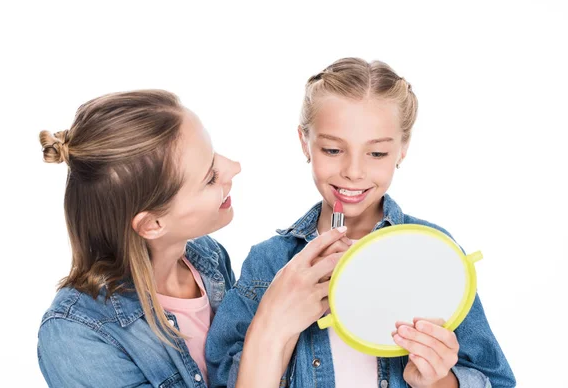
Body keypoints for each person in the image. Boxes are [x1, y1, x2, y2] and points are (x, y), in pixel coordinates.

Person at [206, 58, 516, 388]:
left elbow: (497, 380)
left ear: (403, 148)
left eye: (377, 154)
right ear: (304, 143)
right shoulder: (270, 263)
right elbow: (225, 378)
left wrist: (437, 380)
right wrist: (279, 326)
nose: (353, 171)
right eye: (333, 149)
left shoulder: (432, 251)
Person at [37, 89, 348, 387]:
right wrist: (271, 327)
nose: (234, 168)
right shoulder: (76, 336)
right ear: (153, 223)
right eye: (210, 176)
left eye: (214, 155)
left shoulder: (207, 259)